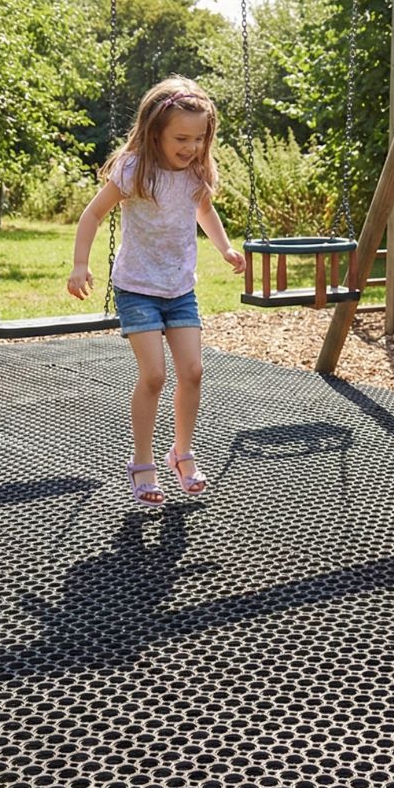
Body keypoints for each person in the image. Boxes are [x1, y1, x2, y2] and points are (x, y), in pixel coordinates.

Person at [69, 76, 245, 507]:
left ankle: (180, 453)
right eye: (181, 138)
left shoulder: (195, 174)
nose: (191, 147)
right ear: (154, 134)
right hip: (137, 288)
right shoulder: (133, 170)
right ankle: (142, 460)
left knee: (192, 372)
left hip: (180, 288)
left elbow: (204, 210)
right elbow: (92, 215)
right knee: (154, 375)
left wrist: (224, 247)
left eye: (200, 138)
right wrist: (79, 264)